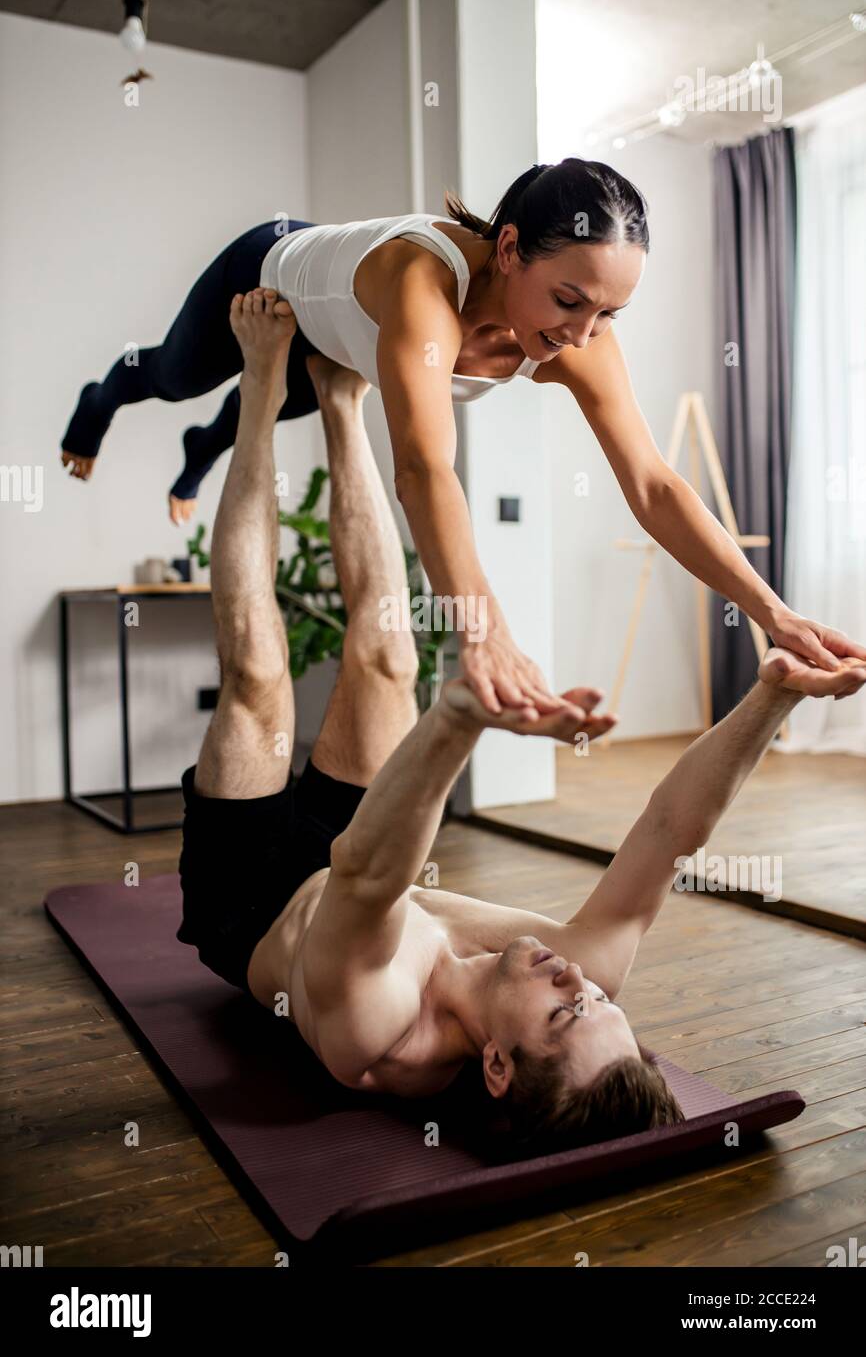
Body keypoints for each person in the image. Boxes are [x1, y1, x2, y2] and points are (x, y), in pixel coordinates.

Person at [176, 287, 866, 1155]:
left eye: (568, 1011)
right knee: (389, 654)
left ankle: (267, 384)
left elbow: (359, 877)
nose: (580, 979)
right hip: (363, 854)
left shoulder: (377, 1028)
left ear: (496, 1068)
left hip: (251, 899)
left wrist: (464, 712)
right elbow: (665, 834)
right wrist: (775, 694)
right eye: (602, 1001)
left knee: (258, 681)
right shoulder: (565, 969)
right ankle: (345, 400)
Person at [61, 158, 866, 718]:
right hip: (274, 267)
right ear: (509, 249)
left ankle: (203, 451)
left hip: (341, 340)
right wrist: (485, 635)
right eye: (568, 299)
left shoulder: (575, 340)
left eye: (608, 313)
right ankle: (104, 398)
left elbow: (654, 486)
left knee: (260, 415)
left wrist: (773, 612)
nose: (583, 335)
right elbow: (423, 469)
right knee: (173, 376)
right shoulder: (423, 289)